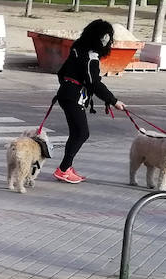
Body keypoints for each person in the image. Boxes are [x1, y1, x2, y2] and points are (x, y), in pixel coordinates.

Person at [51, 18, 125, 183]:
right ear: (103, 39)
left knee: (76, 133)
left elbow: (61, 72)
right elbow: (94, 83)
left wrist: (66, 87)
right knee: (82, 133)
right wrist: (114, 101)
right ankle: (63, 169)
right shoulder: (91, 57)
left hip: (66, 94)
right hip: (73, 97)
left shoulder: (77, 48)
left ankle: (66, 167)